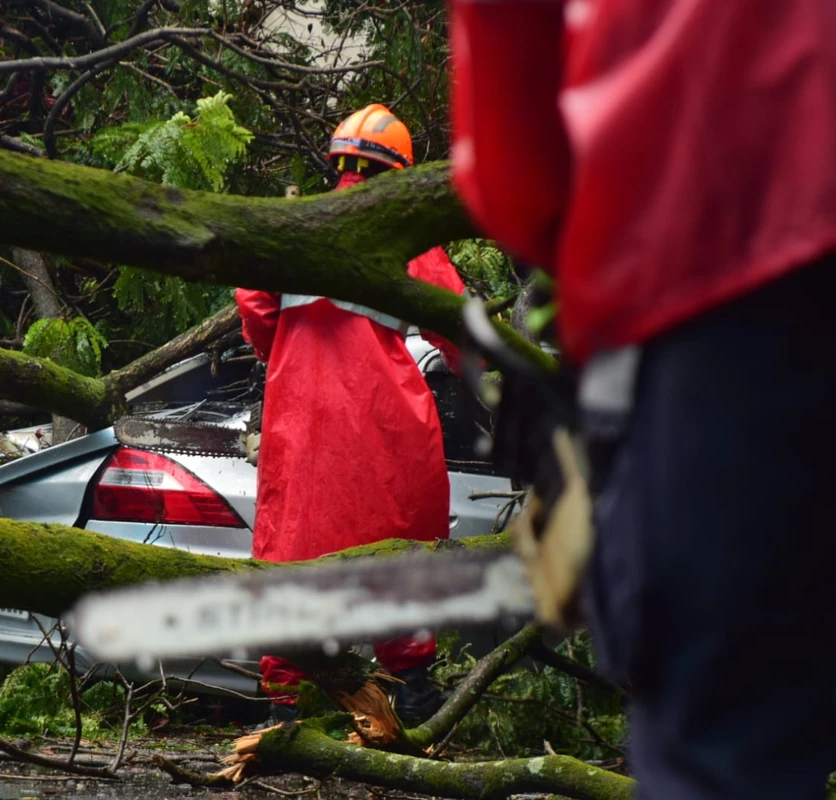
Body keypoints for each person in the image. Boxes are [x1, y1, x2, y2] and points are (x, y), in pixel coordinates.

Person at [447, 2, 836, 797]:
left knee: (724, 748)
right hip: (719, 292)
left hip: (717, 315)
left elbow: (513, 156)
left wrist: (591, 259)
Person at [236, 103, 469, 727]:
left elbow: (253, 302)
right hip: (388, 422)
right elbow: (460, 329)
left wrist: (287, 353)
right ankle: (415, 687)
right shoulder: (409, 238)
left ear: (339, 162)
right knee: (401, 543)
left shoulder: (295, 225)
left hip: (301, 424)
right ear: (399, 173)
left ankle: (287, 705)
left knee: (291, 551)